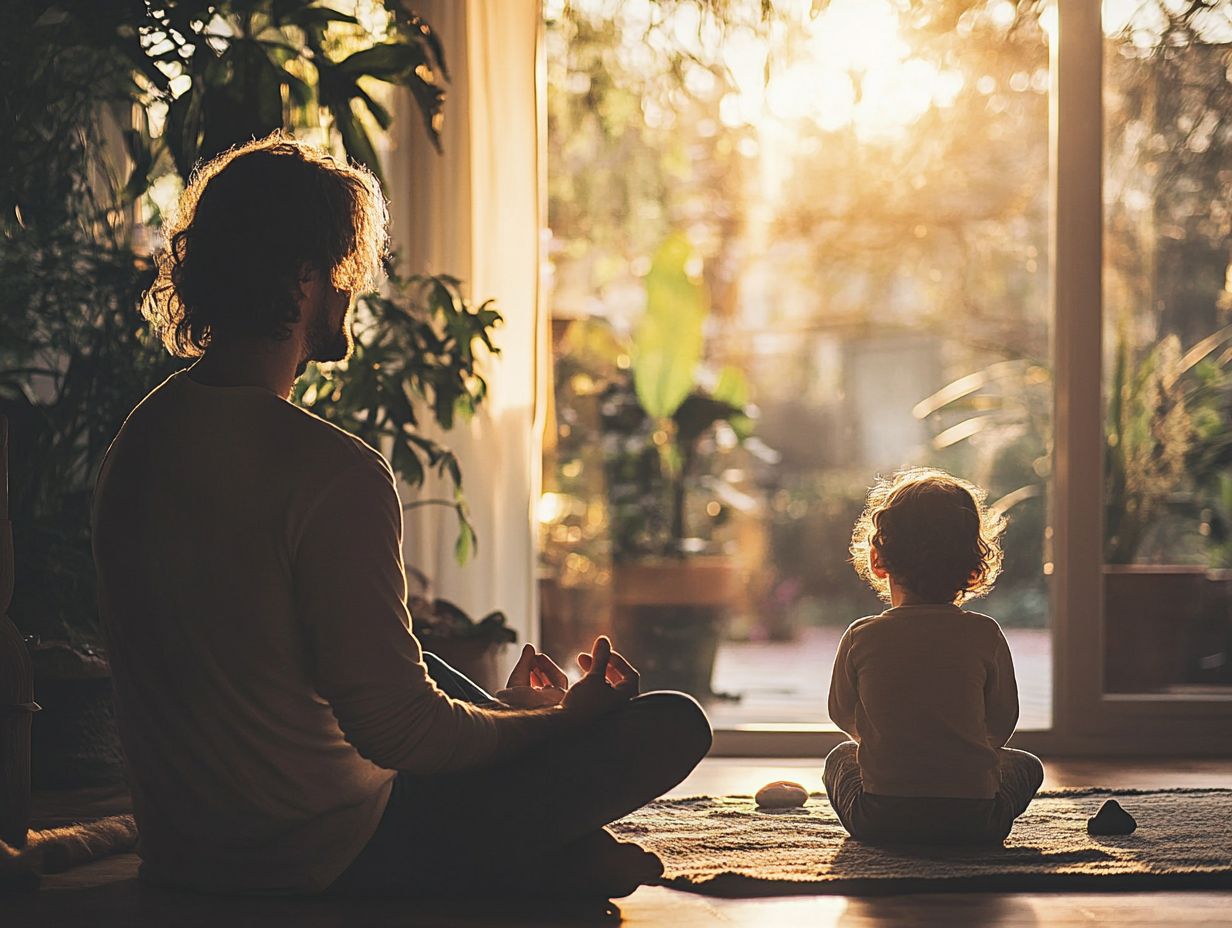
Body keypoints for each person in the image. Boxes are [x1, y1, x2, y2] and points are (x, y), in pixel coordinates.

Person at [91, 133, 711, 898]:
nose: (354, 290)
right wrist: (563, 725)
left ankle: (561, 854)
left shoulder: (139, 440)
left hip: (186, 850)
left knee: (422, 662)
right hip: (327, 854)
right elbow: (400, 735)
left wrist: (503, 716)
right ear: (304, 277)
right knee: (676, 723)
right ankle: (546, 861)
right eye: (347, 269)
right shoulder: (332, 470)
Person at [823, 467, 1044, 845]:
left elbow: (842, 714)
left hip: (881, 820)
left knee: (839, 758)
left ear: (878, 561)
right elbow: (1001, 723)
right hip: (974, 822)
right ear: (974, 570)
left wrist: (893, 744)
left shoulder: (862, 635)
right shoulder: (984, 634)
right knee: (1027, 765)